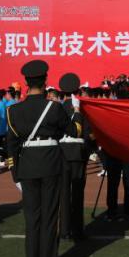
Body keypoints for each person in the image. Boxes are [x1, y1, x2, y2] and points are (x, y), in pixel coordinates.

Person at [6, 60, 69, 257]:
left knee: (32, 218)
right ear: (45, 81)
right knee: (49, 216)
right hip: (50, 163)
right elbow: (70, 130)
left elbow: (11, 145)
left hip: (27, 167)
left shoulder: (13, 110)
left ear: (26, 82)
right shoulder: (55, 107)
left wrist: (15, 173)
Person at [57, 73, 92, 241]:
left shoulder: (58, 108)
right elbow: (87, 133)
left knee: (63, 194)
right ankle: (77, 230)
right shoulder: (83, 108)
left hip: (62, 153)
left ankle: (64, 230)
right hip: (78, 153)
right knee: (78, 194)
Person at [104, 81, 129, 219]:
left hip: (115, 150)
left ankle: (112, 212)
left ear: (116, 93)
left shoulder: (111, 107)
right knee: (128, 182)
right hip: (128, 150)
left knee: (113, 182)